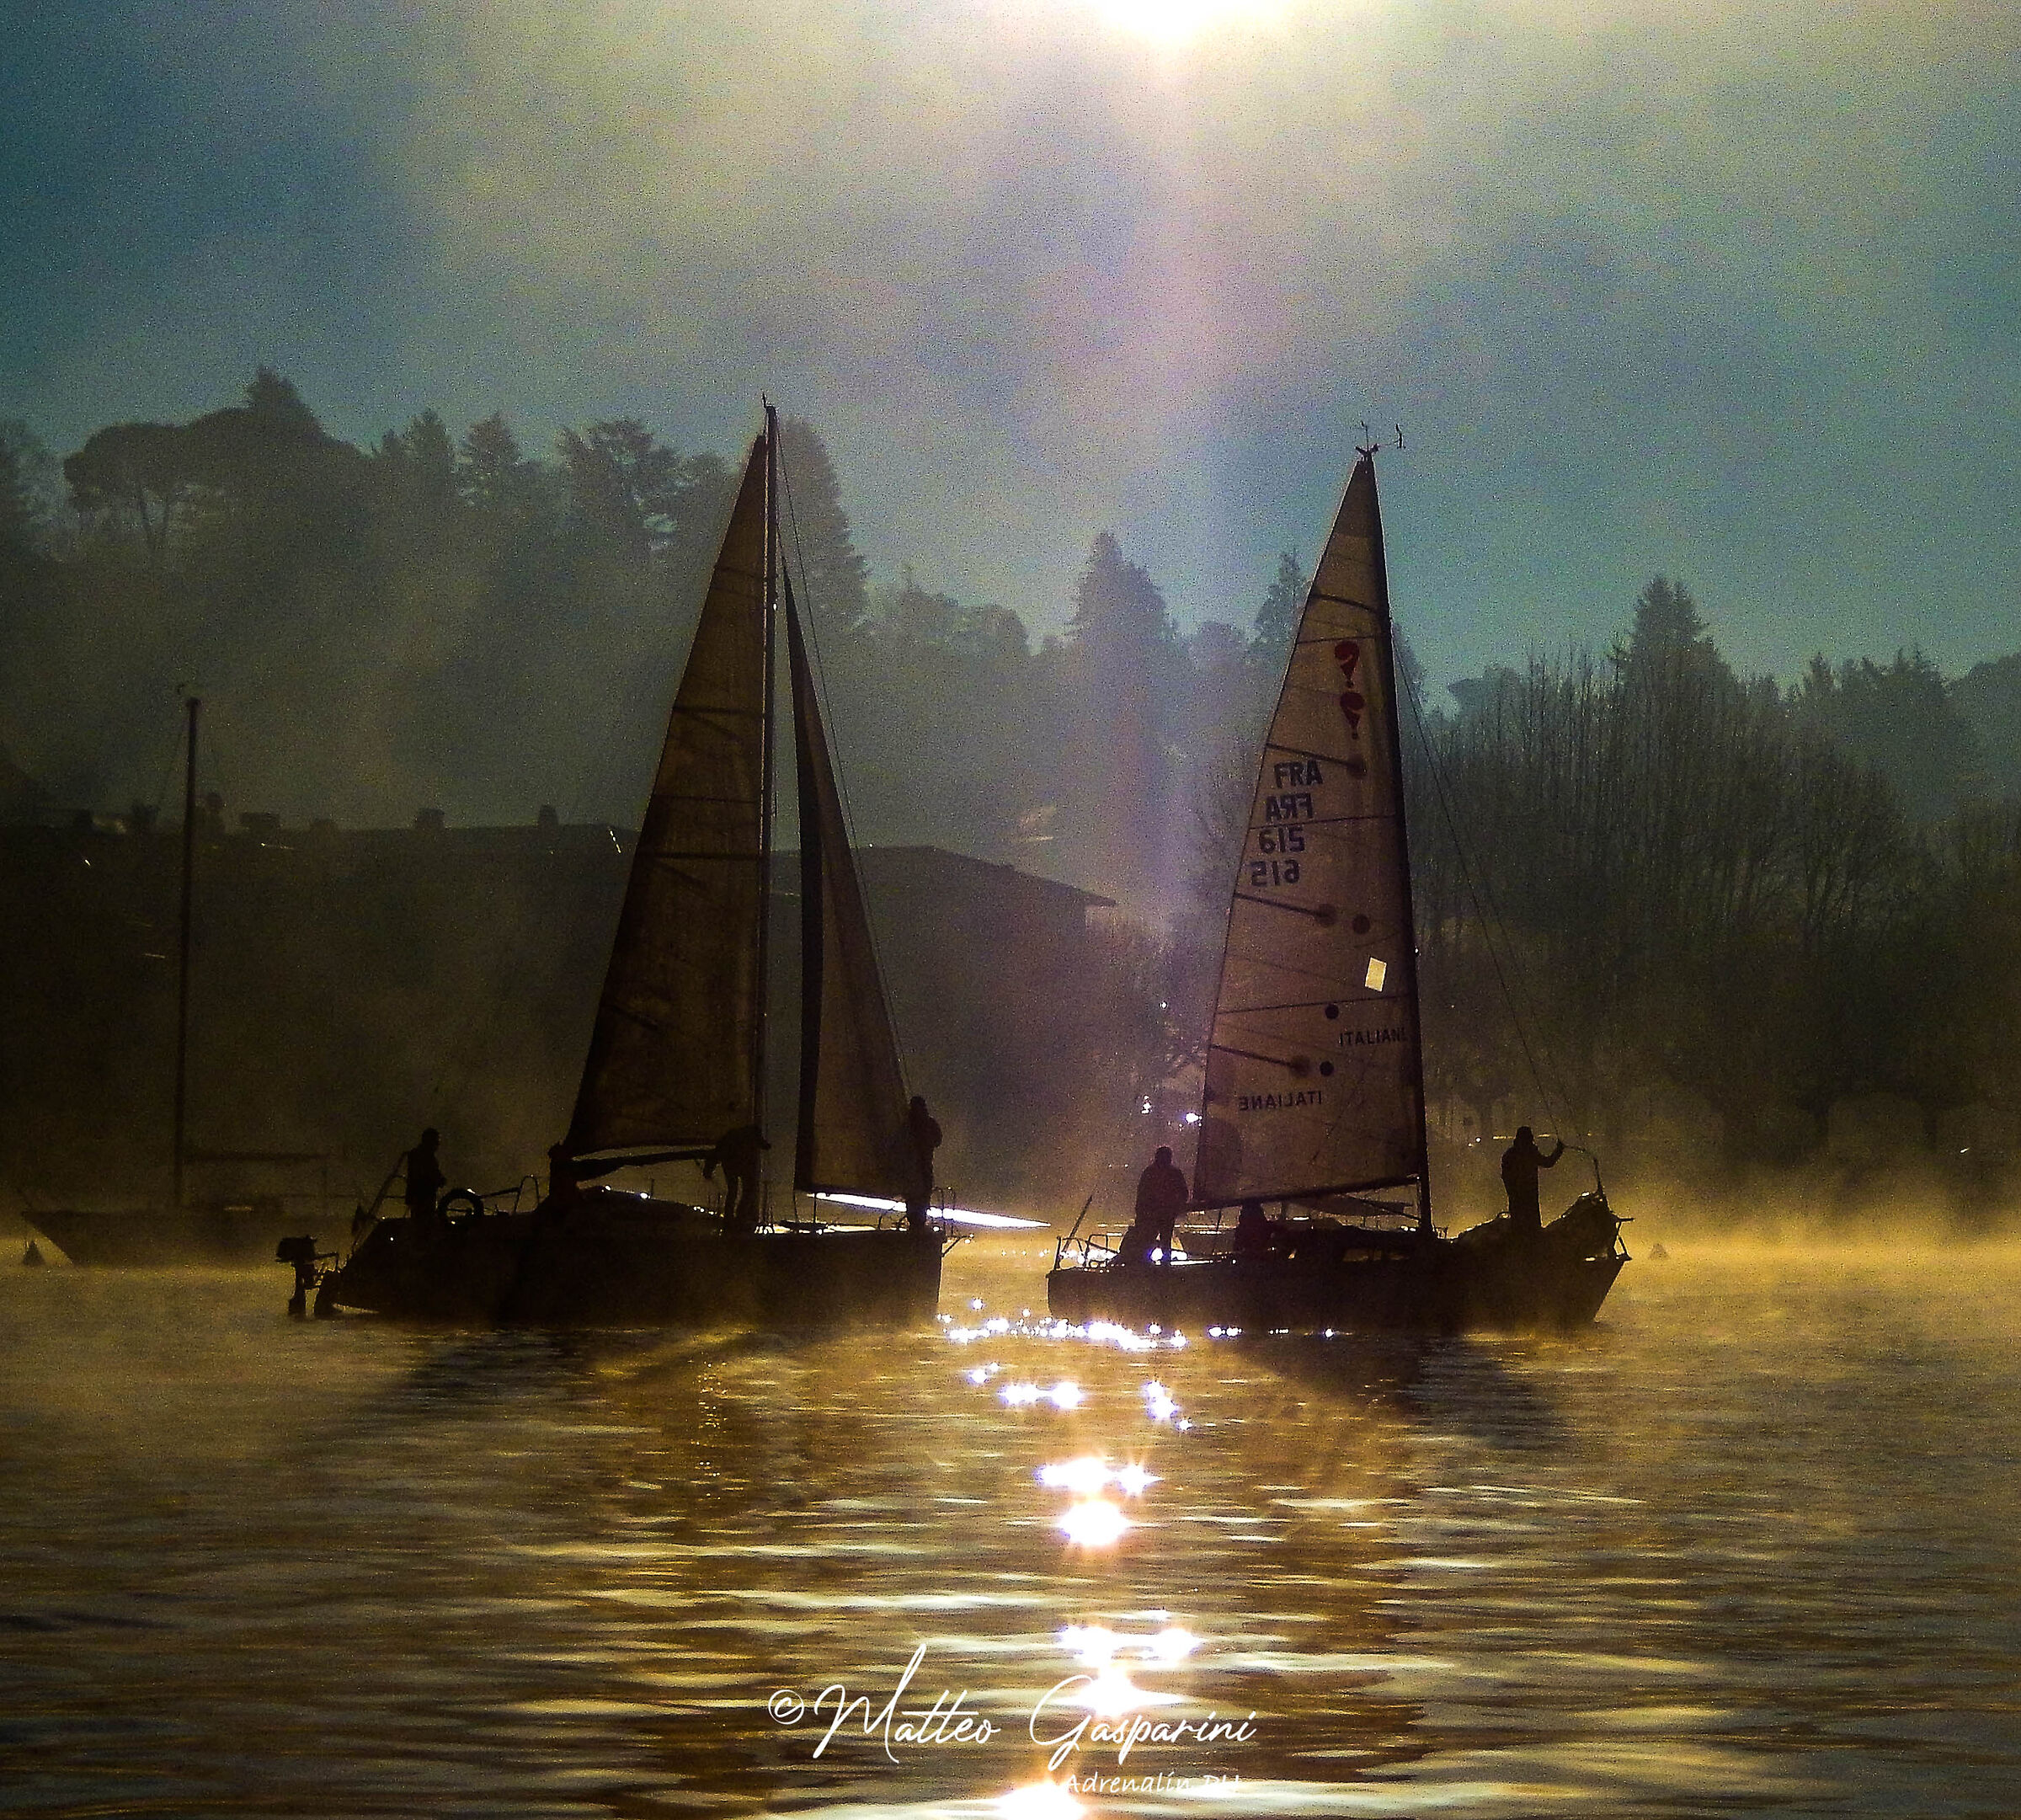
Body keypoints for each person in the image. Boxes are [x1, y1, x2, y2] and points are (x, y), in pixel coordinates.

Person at [1128, 1145, 1190, 1265]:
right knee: (1160, 1240)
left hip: (1157, 1214)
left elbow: (1141, 1194)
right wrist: (1176, 1207)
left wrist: (1141, 1212)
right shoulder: (1172, 1173)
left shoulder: (1151, 1172)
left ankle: (1148, 1263)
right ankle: (1161, 1263)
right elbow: (1183, 1193)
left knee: (1152, 1240)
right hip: (1160, 1214)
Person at [704, 1124, 770, 1231]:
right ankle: (738, 1218)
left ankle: (733, 1218)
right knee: (743, 1191)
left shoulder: (732, 1138)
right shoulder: (741, 1138)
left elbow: (716, 1154)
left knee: (734, 1192)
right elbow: (717, 1153)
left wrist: (708, 1170)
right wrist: (708, 1170)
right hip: (737, 1166)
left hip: (734, 1166)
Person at [1501, 1125, 1565, 1234]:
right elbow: (1548, 1162)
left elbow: (1505, 1176)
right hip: (1530, 1196)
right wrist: (1559, 1150)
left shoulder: (1509, 1155)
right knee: (1533, 1227)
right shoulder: (1530, 1153)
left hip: (1515, 1198)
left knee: (1518, 1228)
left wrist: (1511, 1192)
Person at [904, 1095, 942, 1233]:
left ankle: (916, 1223)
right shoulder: (928, 1123)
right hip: (922, 1165)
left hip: (911, 1166)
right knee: (921, 1194)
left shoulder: (907, 1123)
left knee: (914, 1194)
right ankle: (918, 1223)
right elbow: (938, 1140)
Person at [403, 1128, 446, 1228]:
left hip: (417, 1195)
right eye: (436, 1141)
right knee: (425, 1223)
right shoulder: (426, 1156)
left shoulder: (416, 1154)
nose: (438, 1145)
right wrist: (440, 1180)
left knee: (419, 1222)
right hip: (424, 1196)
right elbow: (429, 1173)